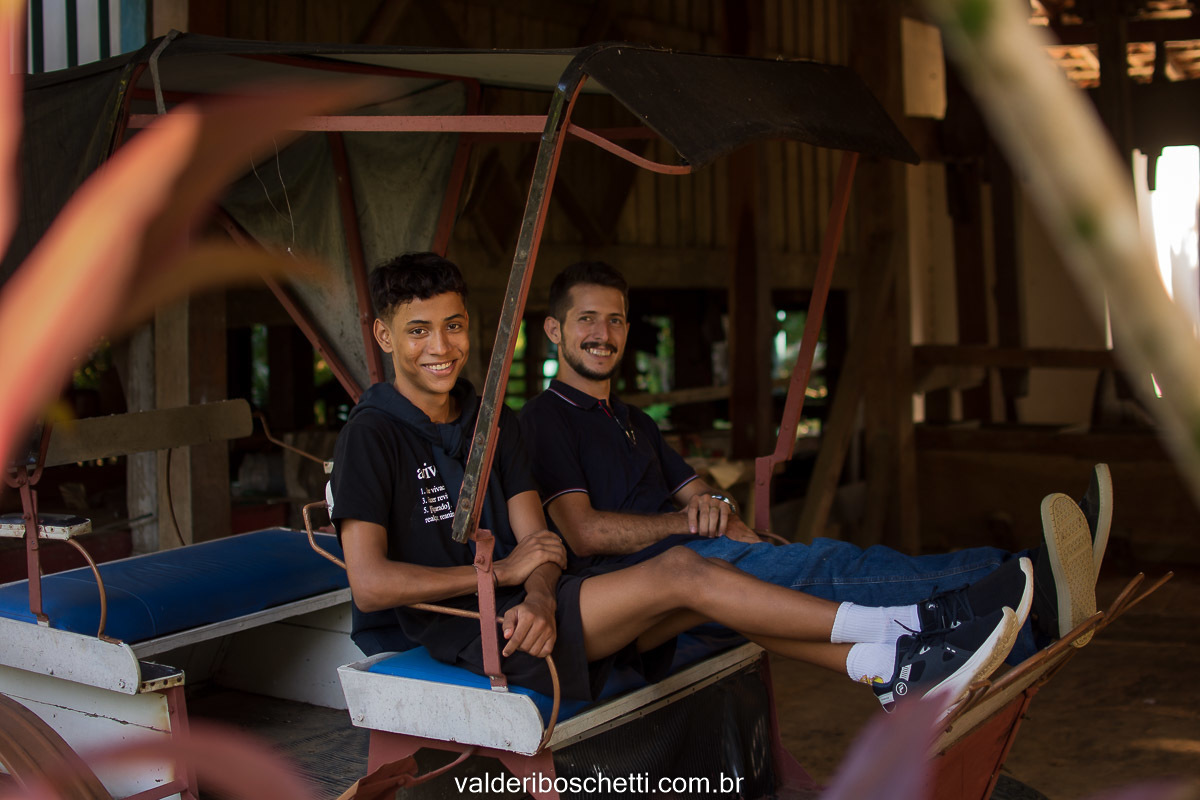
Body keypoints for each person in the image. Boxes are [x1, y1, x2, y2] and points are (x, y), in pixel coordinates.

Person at [330, 252, 1031, 713]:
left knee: (711, 593)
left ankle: (887, 668)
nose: (441, 347)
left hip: (536, 611)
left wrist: (537, 588)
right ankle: (910, 627)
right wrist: (503, 579)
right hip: (466, 630)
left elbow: (540, 543)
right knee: (683, 574)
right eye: (419, 331)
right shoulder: (372, 434)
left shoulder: (493, 424)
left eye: (453, 326)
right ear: (386, 337)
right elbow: (371, 583)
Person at [518, 261, 1111, 663]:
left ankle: (1025, 604)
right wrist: (690, 524)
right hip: (636, 592)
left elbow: (703, 498)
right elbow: (583, 532)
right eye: (587, 320)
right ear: (554, 331)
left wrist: (737, 528)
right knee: (829, 568)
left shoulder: (633, 420)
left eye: (615, 319)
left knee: (824, 560)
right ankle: (1025, 575)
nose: (603, 333)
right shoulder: (545, 419)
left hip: (699, 562)